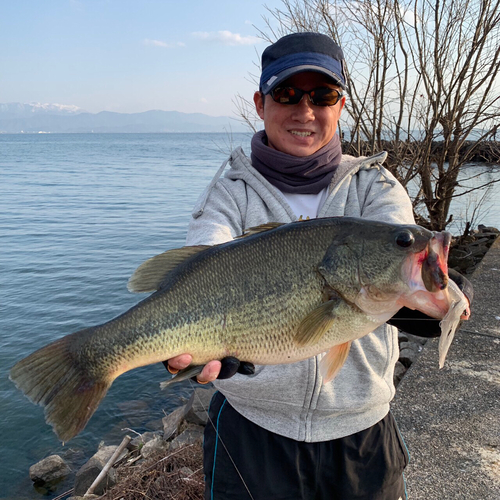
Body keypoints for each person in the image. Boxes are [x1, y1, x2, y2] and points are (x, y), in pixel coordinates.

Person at [166, 32, 472, 499]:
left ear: (341, 105)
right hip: (252, 432)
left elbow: (397, 258)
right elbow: (207, 254)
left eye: (322, 95)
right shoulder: (230, 191)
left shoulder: (374, 186)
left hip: (362, 434)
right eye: (287, 94)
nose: (304, 110)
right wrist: (209, 350)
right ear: (260, 102)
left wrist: (433, 295)